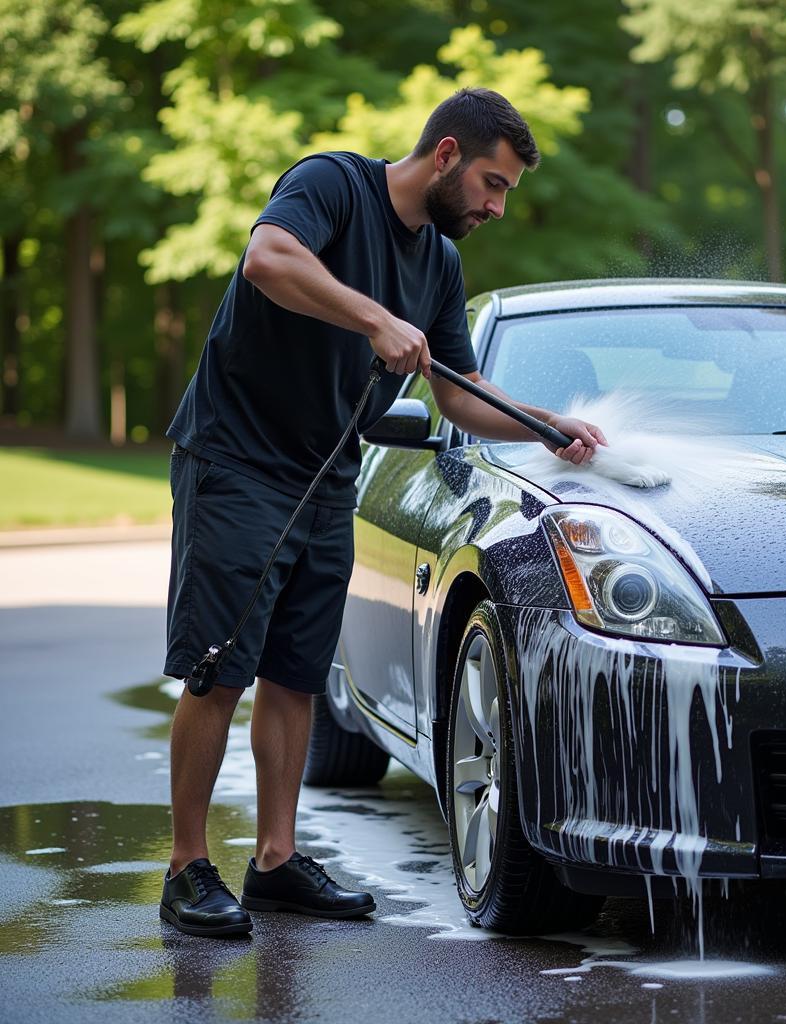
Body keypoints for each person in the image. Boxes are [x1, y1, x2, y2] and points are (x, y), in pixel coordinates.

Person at [158, 87, 607, 937]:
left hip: (327, 477)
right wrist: (373, 318)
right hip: (235, 460)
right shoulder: (332, 183)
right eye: (491, 182)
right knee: (220, 669)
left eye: (506, 190)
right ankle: (186, 868)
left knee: (296, 674)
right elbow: (268, 260)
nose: (496, 205)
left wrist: (545, 427)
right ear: (445, 155)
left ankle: (277, 863)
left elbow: (456, 395)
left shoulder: (438, 263)